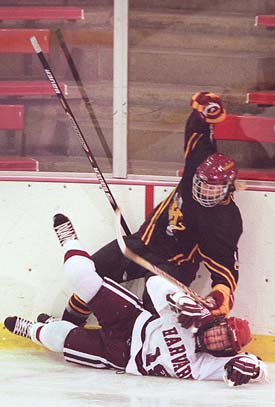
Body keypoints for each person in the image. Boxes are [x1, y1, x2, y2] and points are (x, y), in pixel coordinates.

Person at [4, 217, 266, 387]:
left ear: (226, 351)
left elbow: (258, 367)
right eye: (220, 332)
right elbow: (153, 283)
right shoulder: (195, 313)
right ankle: (70, 239)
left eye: (222, 343)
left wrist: (252, 368)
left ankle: (35, 330)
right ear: (219, 323)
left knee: (57, 339)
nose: (215, 340)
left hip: (119, 356)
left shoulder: (211, 364)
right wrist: (177, 298)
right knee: (81, 276)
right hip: (130, 320)